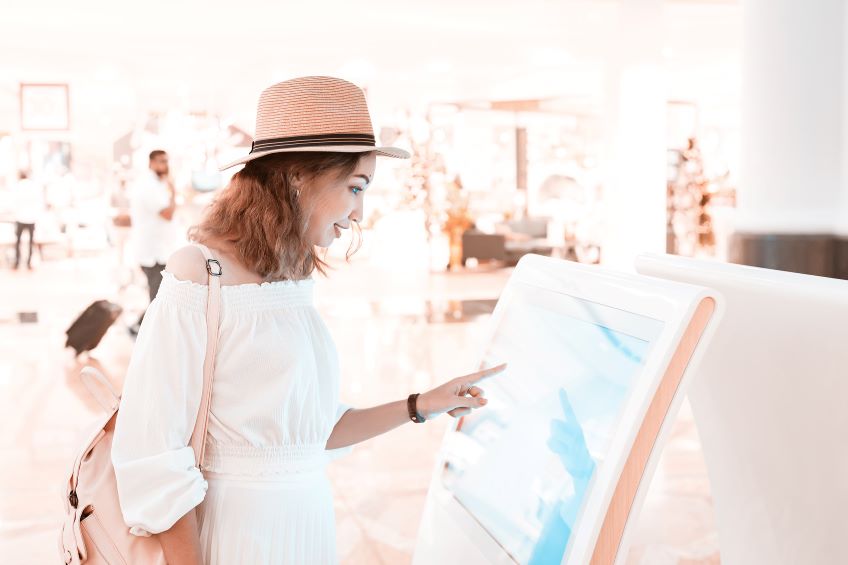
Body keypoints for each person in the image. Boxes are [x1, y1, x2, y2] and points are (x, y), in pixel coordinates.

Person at [111, 76, 507, 565]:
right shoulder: (198, 272)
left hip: (307, 527)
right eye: (355, 187)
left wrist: (423, 403)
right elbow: (153, 451)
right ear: (299, 176)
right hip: (237, 535)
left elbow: (312, 434)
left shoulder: (290, 280)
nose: (360, 211)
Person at [128, 149, 177, 335]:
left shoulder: (156, 184)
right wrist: (173, 191)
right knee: (158, 295)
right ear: (151, 163)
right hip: (152, 251)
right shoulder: (148, 185)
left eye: (166, 161)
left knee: (159, 294)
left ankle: (140, 327)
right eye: (160, 161)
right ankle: (143, 329)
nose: (164, 165)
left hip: (158, 249)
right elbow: (167, 213)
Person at [11, 170, 44, 270]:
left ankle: (17, 262)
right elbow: (38, 201)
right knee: (30, 241)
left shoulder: (17, 186)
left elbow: (14, 202)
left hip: (20, 217)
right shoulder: (33, 186)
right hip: (31, 218)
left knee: (18, 241)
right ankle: (29, 263)